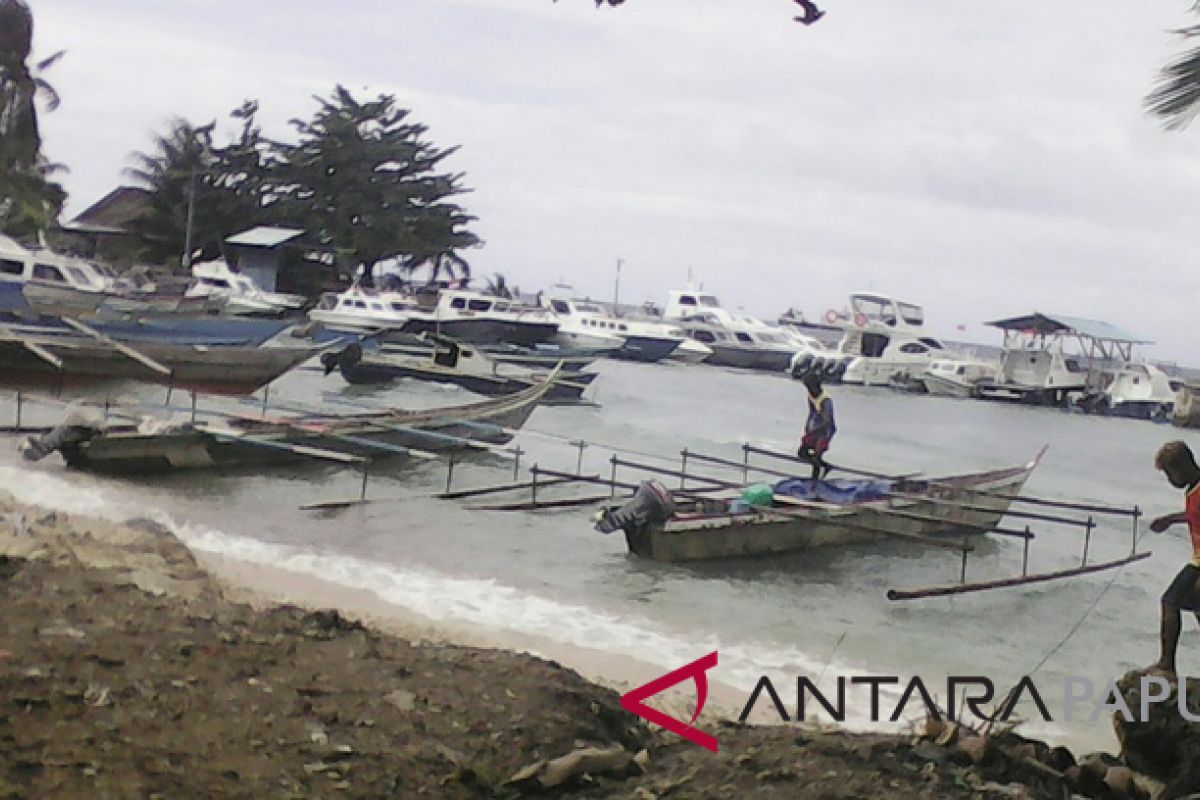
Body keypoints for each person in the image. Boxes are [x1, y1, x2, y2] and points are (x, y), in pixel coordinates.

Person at [1148, 440, 1200, 675]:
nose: (1170, 481)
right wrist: (1170, 520)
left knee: (1171, 601)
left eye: (1170, 474)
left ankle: (1167, 664)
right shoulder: (1194, 488)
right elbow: (1194, 514)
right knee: (1194, 604)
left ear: (1181, 468)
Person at [797, 371, 836, 482]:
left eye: (809, 387)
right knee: (802, 452)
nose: (808, 390)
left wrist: (815, 430)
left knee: (816, 456)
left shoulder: (826, 400)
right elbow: (812, 412)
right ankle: (825, 466)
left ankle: (815, 481)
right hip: (816, 428)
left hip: (826, 431)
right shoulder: (810, 396)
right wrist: (807, 426)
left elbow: (827, 420)